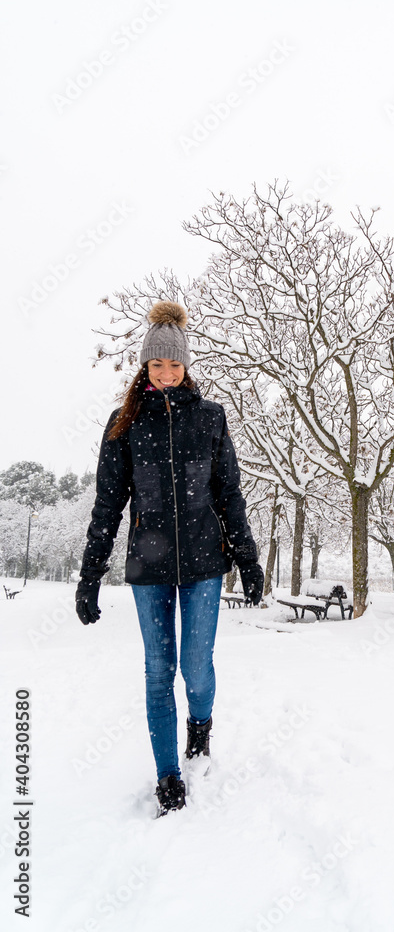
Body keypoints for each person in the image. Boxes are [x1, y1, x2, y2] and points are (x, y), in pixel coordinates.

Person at [75, 301, 264, 817]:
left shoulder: (210, 417)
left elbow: (229, 494)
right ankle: (167, 775)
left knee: (196, 669)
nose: (165, 372)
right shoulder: (124, 423)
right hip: (148, 568)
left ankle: (199, 729)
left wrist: (247, 560)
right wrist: (89, 577)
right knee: (159, 673)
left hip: (205, 565)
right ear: (144, 366)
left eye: (174, 363)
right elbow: (108, 504)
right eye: (156, 364)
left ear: (185, 364)